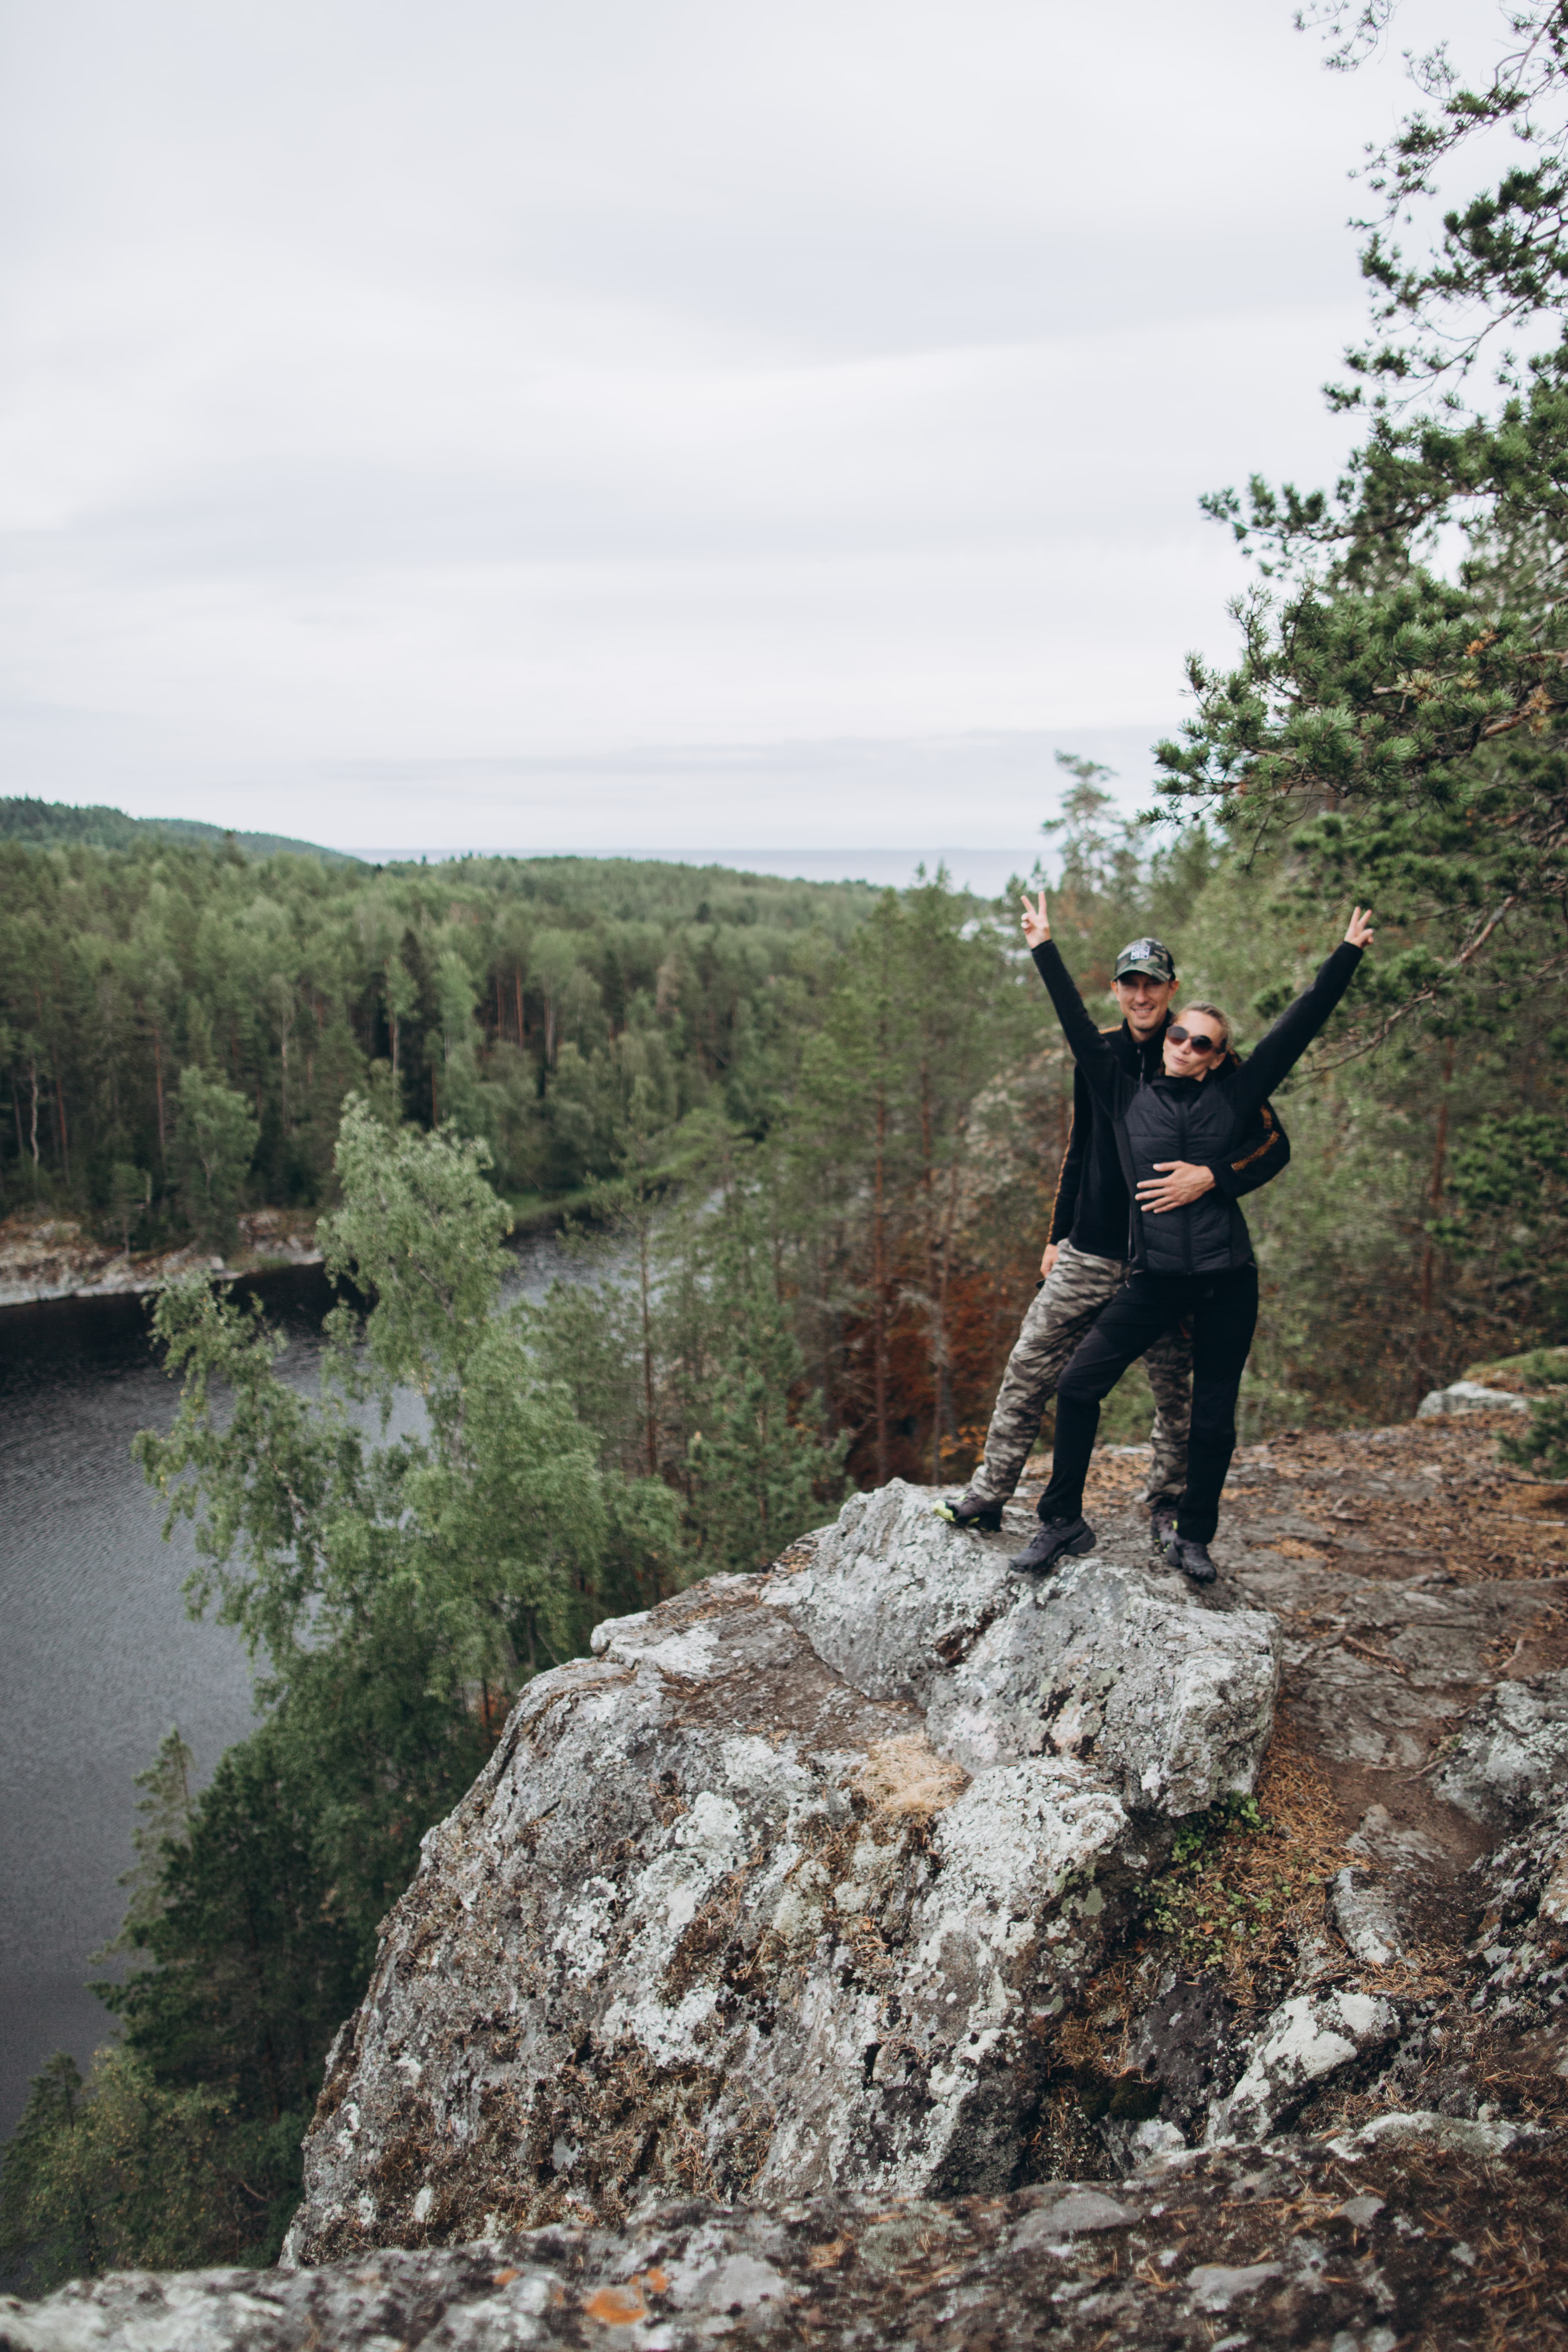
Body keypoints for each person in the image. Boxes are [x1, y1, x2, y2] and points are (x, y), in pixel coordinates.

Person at [1011, 890, 1374, 1585]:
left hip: (1225, 1282)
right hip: (1154, 1281)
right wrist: (1043, 948)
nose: (1182, 1046)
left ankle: (1194, 1536)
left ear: (1216, 1058)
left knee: (1211, 1418)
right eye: (1179, 1035)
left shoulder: (1236, 1098)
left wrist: (1346, 957)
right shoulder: (1121, 1092)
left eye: (1199, 1042)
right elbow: (1076, 1024)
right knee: (1080, 1387)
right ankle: (1062, 1521)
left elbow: (1299, 1028)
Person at [935, 933, 1290, 1546]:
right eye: (1131, 983)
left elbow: (1271, 1144)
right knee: (1030, 1366)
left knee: (1176, 1393)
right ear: (1118, 990)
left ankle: (1166, 1505)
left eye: (1154, 984)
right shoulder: (1099, 1055)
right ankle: (990, 1495)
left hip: (1170, 1265)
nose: (1142, 995)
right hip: (1092, 1250)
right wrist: (1057, 1236)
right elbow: (1080, 1150)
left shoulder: (1206, 1059)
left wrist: (1211, 1179)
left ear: (1172, 992)